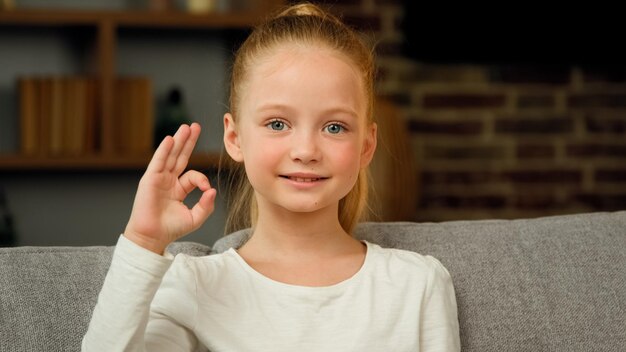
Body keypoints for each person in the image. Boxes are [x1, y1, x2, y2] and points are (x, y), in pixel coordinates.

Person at [82, 2, 460, 351]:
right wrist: (143, 240)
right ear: (235, 137)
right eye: (278, 123)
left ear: (366, 145)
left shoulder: (417, 285)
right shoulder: (194, 285)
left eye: (334, 127)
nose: (306, 150)